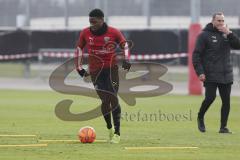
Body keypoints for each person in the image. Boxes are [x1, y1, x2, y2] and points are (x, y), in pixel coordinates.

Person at [74, 9, 131, 143]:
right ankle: (109, 127)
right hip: (95, 72)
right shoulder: (85, 33)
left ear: (102, 20)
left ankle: (117, 133)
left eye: (95, 21)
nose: (92, 24)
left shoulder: (113, 32)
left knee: (113, 97)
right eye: (90, 21)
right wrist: (79, 68)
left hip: (111, 70)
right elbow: (79, 49)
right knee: (105, 101)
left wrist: (127, 60)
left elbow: (125, 46)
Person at [193, 12, 240, 133]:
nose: (220, 23)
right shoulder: (204, 35)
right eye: (218, 20)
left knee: (226, 101)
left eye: (222, 21)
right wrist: (200, 72)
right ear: (213, 21)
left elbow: (238, 45)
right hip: (210, 73)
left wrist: (229, 33)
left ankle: (223, 127)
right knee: (210, 98)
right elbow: (196, 55)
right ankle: (200, 116)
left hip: (226, 73)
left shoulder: (227, 34)